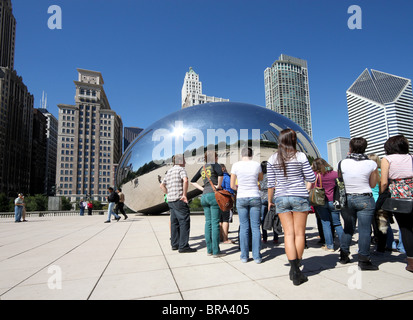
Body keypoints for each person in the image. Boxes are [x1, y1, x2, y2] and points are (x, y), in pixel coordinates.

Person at [267, 128, 316, 285]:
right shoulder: (300, 156)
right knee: (300, 234)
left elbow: (270, 184)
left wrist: (270, 200)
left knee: (288, 234)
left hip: (281, 197)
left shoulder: (272, 159)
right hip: (299, 196)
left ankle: (293, 269)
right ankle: (297, 270)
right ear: (294, 140)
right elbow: (311, 177)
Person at [339, 137, 379, 270]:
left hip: (348, 198)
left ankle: (344, 255)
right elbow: (373, 184)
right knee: (365, 230)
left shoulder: (342, 163)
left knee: (348, 227)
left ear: (350, 148)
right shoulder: (372, 164)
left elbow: (340, 182)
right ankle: (363, 260)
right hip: (365, 198)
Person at [380, 135, 413, 272]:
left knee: (405, 229)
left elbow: (384, 182)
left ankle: (411, 261)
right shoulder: (411, 157)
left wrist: (383, 193)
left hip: (399, 195)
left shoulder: (387, 159)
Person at [230, 147, 263, 263]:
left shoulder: (235, 165)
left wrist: (240, 188)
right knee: (255, 227)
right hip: (254, 196)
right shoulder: (256, 165)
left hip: (242, 197)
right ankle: (257, 256)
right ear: (252, 155)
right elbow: (260, 178)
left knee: (244, 227)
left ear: (241, 155)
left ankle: (244, 256)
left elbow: (232, 185)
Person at [191, 150, 225, 258]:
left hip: (204, 196)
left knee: (208, 223)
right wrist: (218, 186)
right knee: (215, 223)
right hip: (213, 195)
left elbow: (193, 181)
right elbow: (220, 174)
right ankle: (216, 251)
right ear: (214, 157)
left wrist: (202, 189)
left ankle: (209, 250)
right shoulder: (215, 165)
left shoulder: (203, 168)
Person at [160, 154, 196, 253]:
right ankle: (183, 246)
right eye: (184, 160)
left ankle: (174, 244)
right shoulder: (181, 169)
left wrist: (168, 193)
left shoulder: (169, 171)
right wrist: (184, 194)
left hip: (171, 200)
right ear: (180, 161)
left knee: (174, 222)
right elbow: (185, 180)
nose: (185, 162)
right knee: (184, 222)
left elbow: (161, 185)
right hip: (179, 200)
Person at [309, 158, 343, 252]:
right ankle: (344, 245)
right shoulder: (335, 173)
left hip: (321, 201)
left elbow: (310, 186)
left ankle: (330, 245)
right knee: (337, 223)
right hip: (334, 201)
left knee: (325, 223)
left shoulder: (316, 174)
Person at [260, 161, 279, 244]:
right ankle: (275, 237)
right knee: (275, 218)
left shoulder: (259, 176)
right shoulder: (272, 175)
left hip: (262, 197)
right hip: (272, 196)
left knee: (263, 218)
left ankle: (265, 237)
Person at [220, 163, 235, 244]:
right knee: (226, 219)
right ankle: (225, 238)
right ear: (224, 168)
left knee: (220, 219)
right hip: (226, 200)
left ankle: (220, 237)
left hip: (218, 200)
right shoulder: (226, 177)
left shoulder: (217, 178)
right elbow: (231, 189)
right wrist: (232, 199)